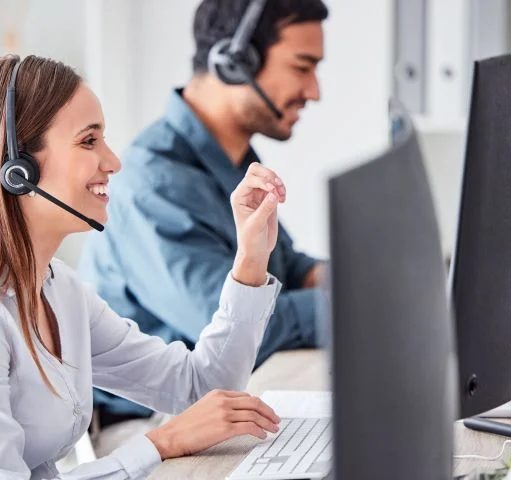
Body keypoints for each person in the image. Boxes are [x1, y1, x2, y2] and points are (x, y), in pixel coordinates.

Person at [0, 54, 289, 479]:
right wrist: (159, 445)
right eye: (88, 141)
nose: (114, 162)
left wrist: (250, 260)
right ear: (17, 170)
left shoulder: (56, 288)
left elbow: (199, 387)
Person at [77, 0, 329, 445]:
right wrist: (362, 304)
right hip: (147, 422)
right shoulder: (151, 183)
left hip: (219, 393)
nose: (314, 91)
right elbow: (245, 327)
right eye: (302, 67)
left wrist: (366, 276)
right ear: (236, 61)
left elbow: (290, 269)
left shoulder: (232, 160)